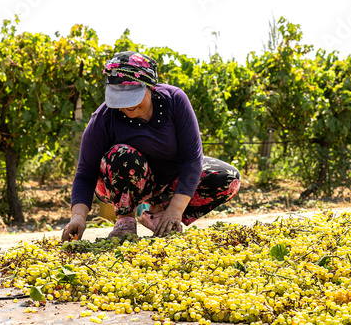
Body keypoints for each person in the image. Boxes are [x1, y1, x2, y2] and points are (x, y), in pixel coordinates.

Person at [61, 51, 241, 241]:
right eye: (120, 99)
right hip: (121, 183)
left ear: (150, 87)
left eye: (132, 97)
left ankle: (159, 214)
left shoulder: (174, 100)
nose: (127, 106)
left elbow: (192, 158)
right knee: (122, 154)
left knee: (228, 178)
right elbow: (85, 173)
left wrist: (175, 210)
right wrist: (78, 217)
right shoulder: (104, 118)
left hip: (169, 181)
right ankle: (125, 221)